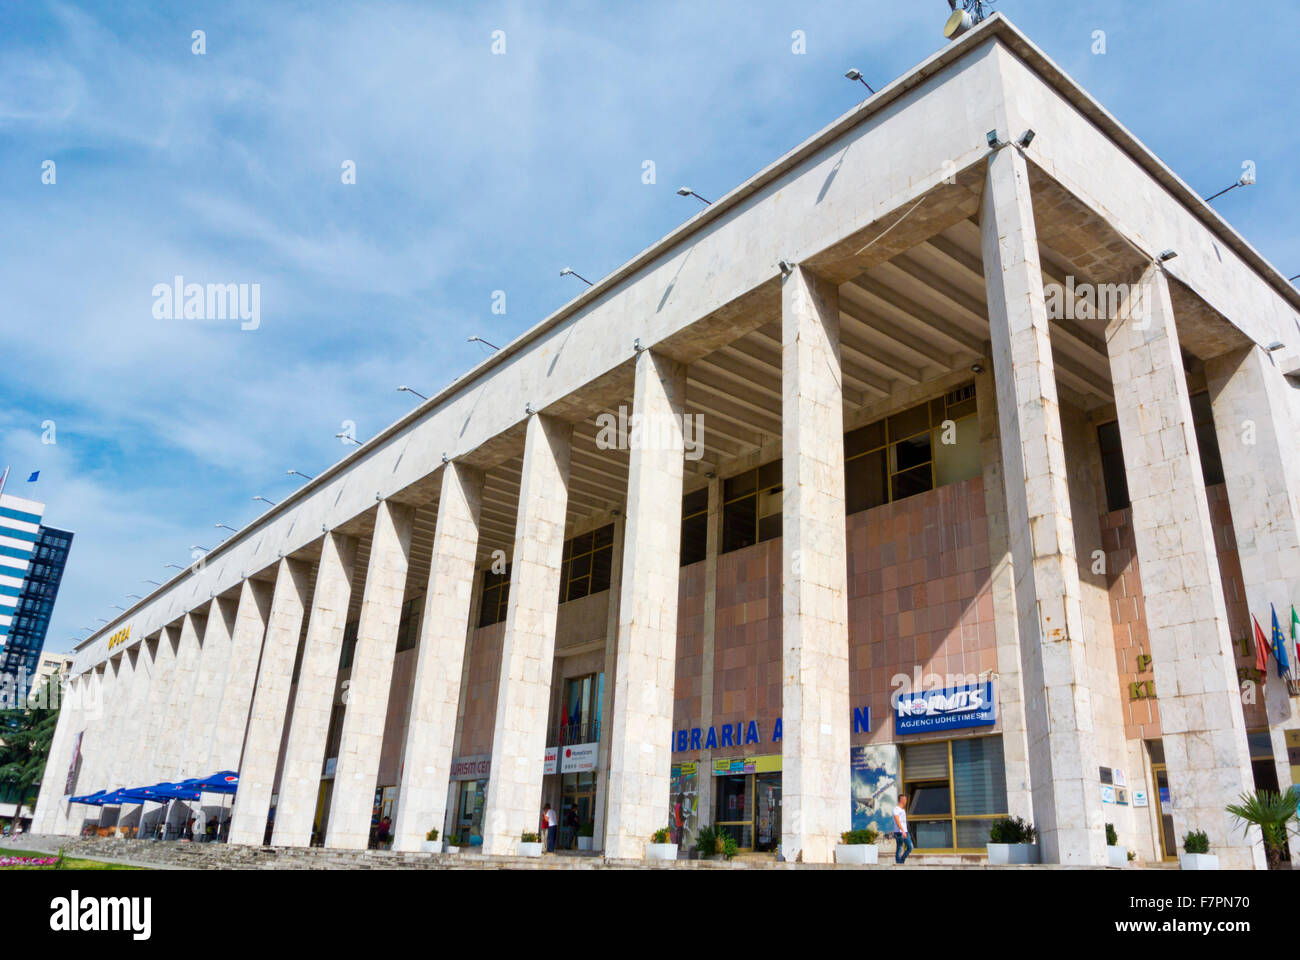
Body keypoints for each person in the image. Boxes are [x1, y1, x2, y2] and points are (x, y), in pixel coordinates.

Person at [893, 794, 913, 864]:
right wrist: (902, 831)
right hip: (899, 832)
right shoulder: (896, 809)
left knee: (910, 847)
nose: (906, 801)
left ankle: (901, 860)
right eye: (905, 799)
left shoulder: (903, 810)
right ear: (901, 800)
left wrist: (905, 831)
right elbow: (897, 821)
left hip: (905, 832)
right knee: (900, 848)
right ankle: (899, 863)